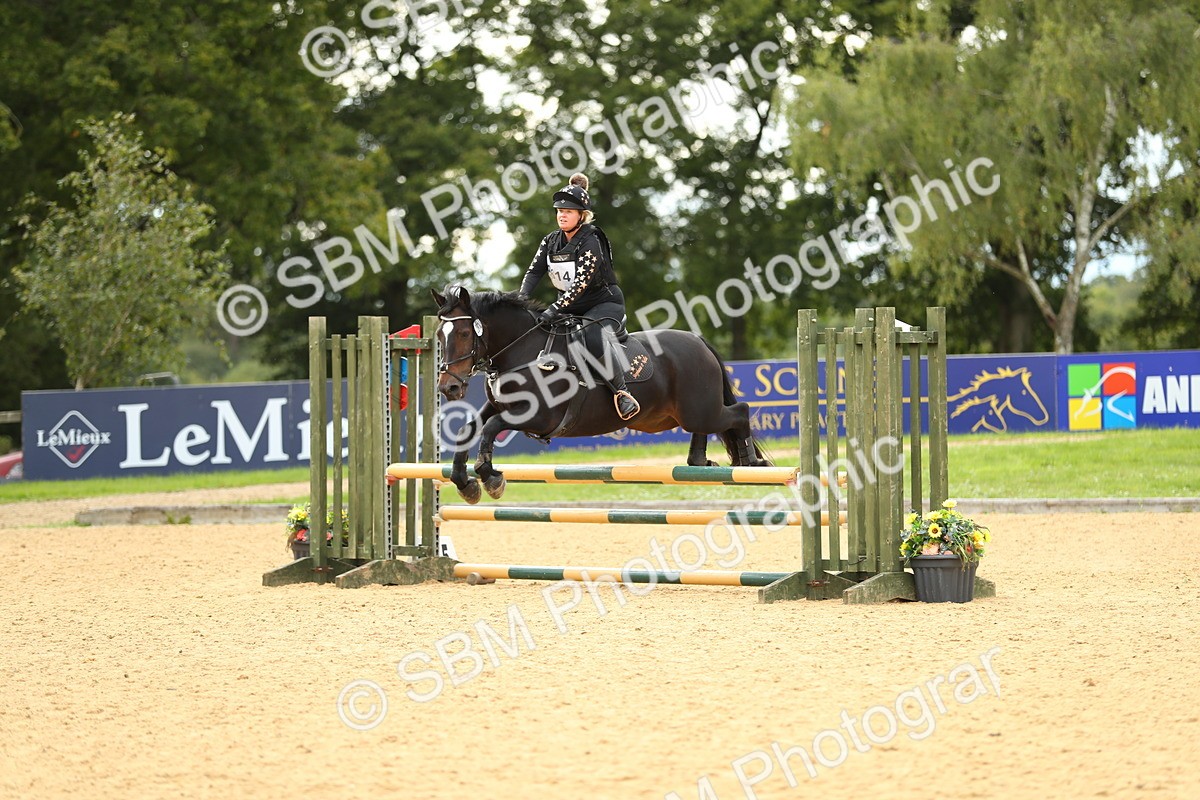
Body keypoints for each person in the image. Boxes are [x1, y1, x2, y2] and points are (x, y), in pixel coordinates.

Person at [517, 172, 641, 421]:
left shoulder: (591, 241)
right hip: (571, 306)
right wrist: (520, 300)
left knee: (590, 334)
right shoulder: (550, 241)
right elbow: (533, 273)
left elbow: (579, 287)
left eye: (569, 211)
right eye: (559, 211)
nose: (562, 215)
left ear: (581, 216)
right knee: (542, 330)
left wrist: (553, 309)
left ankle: (622, 393)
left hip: (604, 303)